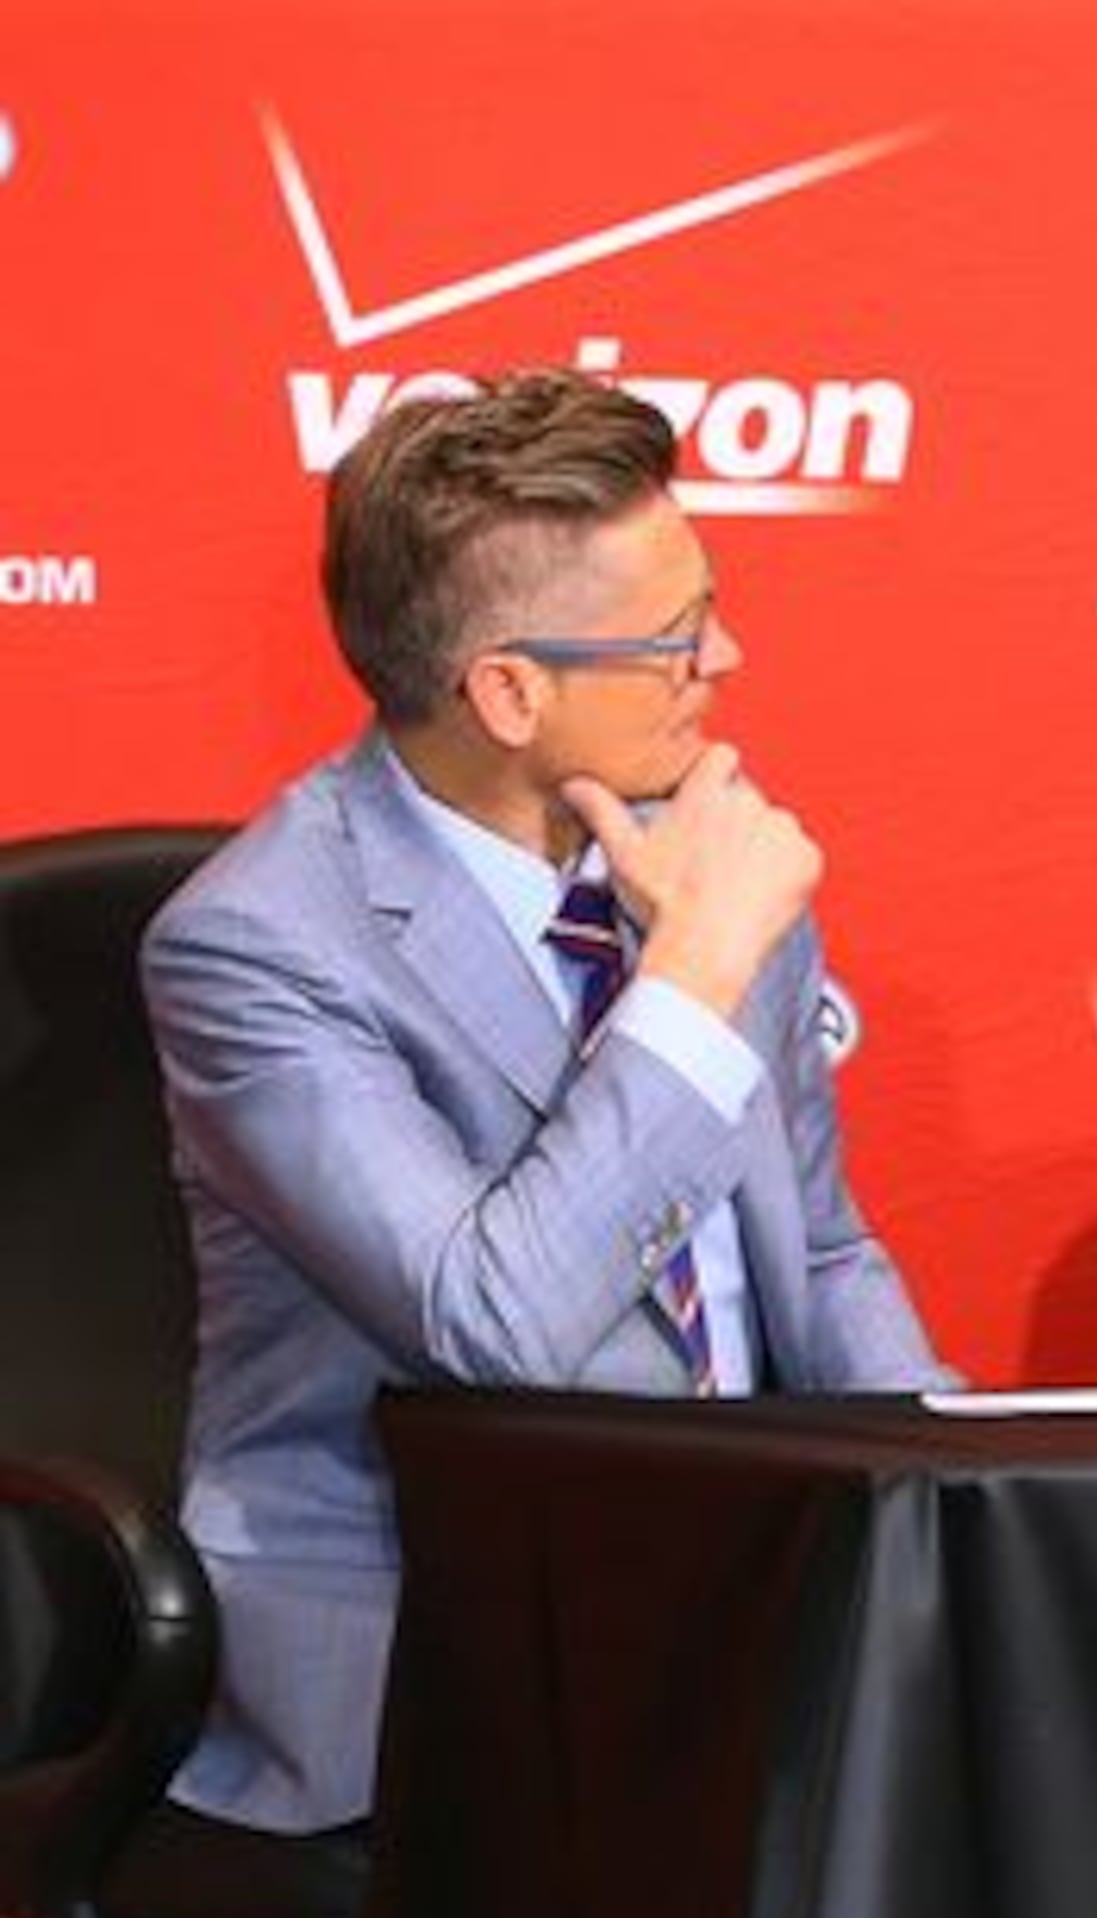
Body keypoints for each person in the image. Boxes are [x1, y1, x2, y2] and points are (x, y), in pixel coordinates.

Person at [143, 369, 945, 1842]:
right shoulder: (257, 946)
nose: (729, 654)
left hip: (741, 1596)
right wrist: (694, 978)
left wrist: (963, 1510)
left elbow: (820, 1256)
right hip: (446, 1634)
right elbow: (490, 1326)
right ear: (508, 691)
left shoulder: (694, 841)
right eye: (675, 639)